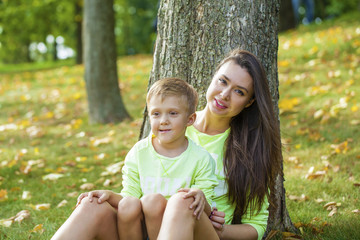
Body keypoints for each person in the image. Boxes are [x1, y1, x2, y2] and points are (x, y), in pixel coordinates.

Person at [51, 78, 218, 240]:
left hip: (180, 230)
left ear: (190, 119)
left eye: (173, 113)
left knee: (154, 201)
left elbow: (206, 209)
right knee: (124, 204)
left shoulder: (201, 159)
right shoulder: (139, 152)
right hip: (139, 231)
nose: (163, 121)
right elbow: (129, 197)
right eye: (156, 113)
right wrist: (109, 195)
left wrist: (200, 195)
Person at [150, 49, 282, 240]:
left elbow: (256, 226)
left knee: (183, 201)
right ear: (213, 78)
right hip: (154, 225)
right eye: (223, 81)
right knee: (91, 205)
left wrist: (221, 230)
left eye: (239, 91)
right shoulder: (169, 124)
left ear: (249, 102)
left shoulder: (249, 149)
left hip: (205, 233)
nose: (225, 94)